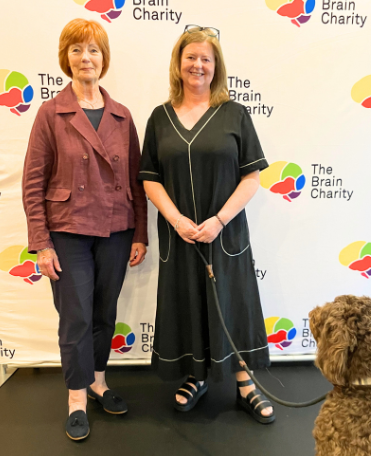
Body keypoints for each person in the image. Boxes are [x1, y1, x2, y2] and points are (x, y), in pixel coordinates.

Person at [139, 25, 275, 423]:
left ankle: (245, 382)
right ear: (178, 64)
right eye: (191, 58)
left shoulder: (235, 113)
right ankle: (195, 375)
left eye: (206, 59)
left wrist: (218, 220)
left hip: (225, 233)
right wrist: (177, 219)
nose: (198, 65)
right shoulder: (160, 118)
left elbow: (252, 177)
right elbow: (150, 177)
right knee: (188, 303)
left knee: (234, 304)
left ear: (217, 67)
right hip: (179, 235)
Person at [21, 18, 148, 441]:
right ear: (66, 59)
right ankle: (76, 397)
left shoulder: (121, 115)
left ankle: (97, 381)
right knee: (75, 317)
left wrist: (141, 233)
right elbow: (33, 182)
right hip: (68, 231)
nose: (85, 58)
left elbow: (136, 180)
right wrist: (41, 244)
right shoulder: (50, 113)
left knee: (104, 313)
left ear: (103, 58)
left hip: (115, 229)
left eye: (92, 50)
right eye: (76, 50)